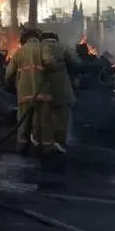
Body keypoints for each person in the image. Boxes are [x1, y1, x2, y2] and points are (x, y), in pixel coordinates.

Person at [5, 27, 57, 159]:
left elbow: (8, 73)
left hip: (24, 93)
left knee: (23, 121)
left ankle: (22, 147)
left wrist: (8, 83)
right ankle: (47, 148)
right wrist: (51, 69)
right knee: (45, 122)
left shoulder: (19, 52)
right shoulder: (43, 47)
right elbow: (49, 62)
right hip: (42, 92)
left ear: (24, 39)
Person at [40, 32, 79, 170]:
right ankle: (60, 142)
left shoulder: (41, 47)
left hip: (45, 88)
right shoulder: (64, 47)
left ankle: (46, 144)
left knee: (46, 117)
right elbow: (75, 60)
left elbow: (46, 62)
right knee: (62, 116)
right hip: (63, 88)